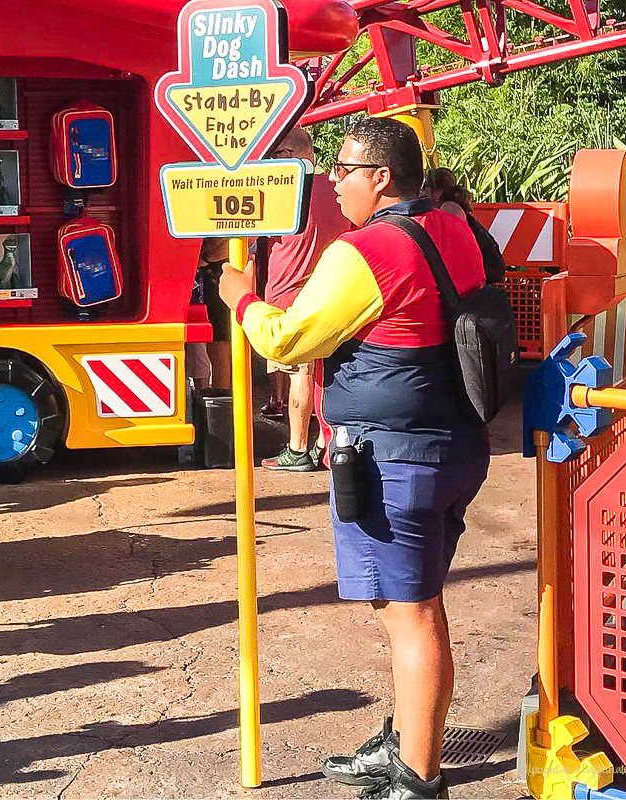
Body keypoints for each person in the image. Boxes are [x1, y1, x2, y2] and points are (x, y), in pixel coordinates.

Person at [219, 117, 490, 800]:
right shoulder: (455, 227)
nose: (332, 180)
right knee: (415, 605)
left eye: (343, 168)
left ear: (381, 177)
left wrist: (241, 298)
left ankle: (419, 779)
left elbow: (288, 341)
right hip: (455, 443)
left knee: (412, 614)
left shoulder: (362, 251)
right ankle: (405, 744)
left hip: (394, 457)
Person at [260, 127, 349, 471]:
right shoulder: (336, 188)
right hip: (334, 289)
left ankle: (297, 448)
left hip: (288, 290)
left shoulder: (283, 189)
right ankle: (324, 442)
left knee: (300, 372)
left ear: (286, 156)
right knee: (324, 373)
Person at [422, 167, 507, 284]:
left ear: (438, 192)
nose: (421, 191)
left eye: (425, 186)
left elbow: (449, 249)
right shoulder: (451, 207)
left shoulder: (449, 210)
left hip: (484, 272)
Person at [198, 237, 232, 389]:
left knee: (219, 337)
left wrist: (204, 256)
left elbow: (227, 235)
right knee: (220, 337)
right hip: (221, 271)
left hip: (219, 272)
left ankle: (222, 391)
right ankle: (223, 390)